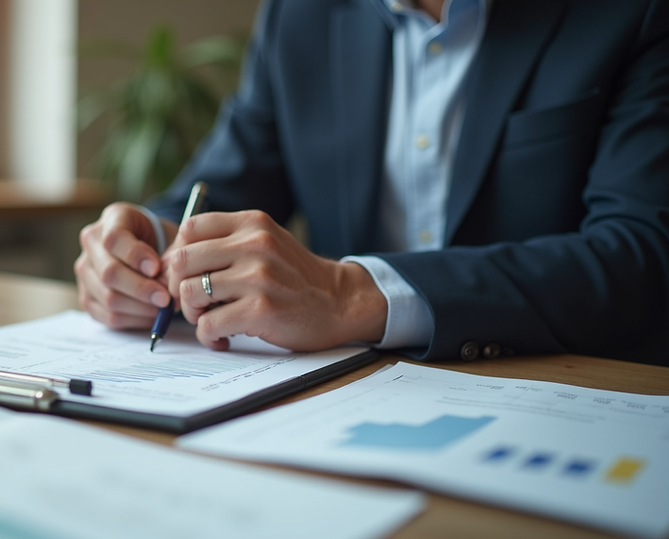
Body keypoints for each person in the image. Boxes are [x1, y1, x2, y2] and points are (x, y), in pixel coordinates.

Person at [75, 0, 669, 366]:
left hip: (568, 390)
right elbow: (224, 185)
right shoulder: (299, 14)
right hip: (339, 397)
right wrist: (145, 246)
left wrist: (352, 294)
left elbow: (644, 253)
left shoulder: (633, 12)